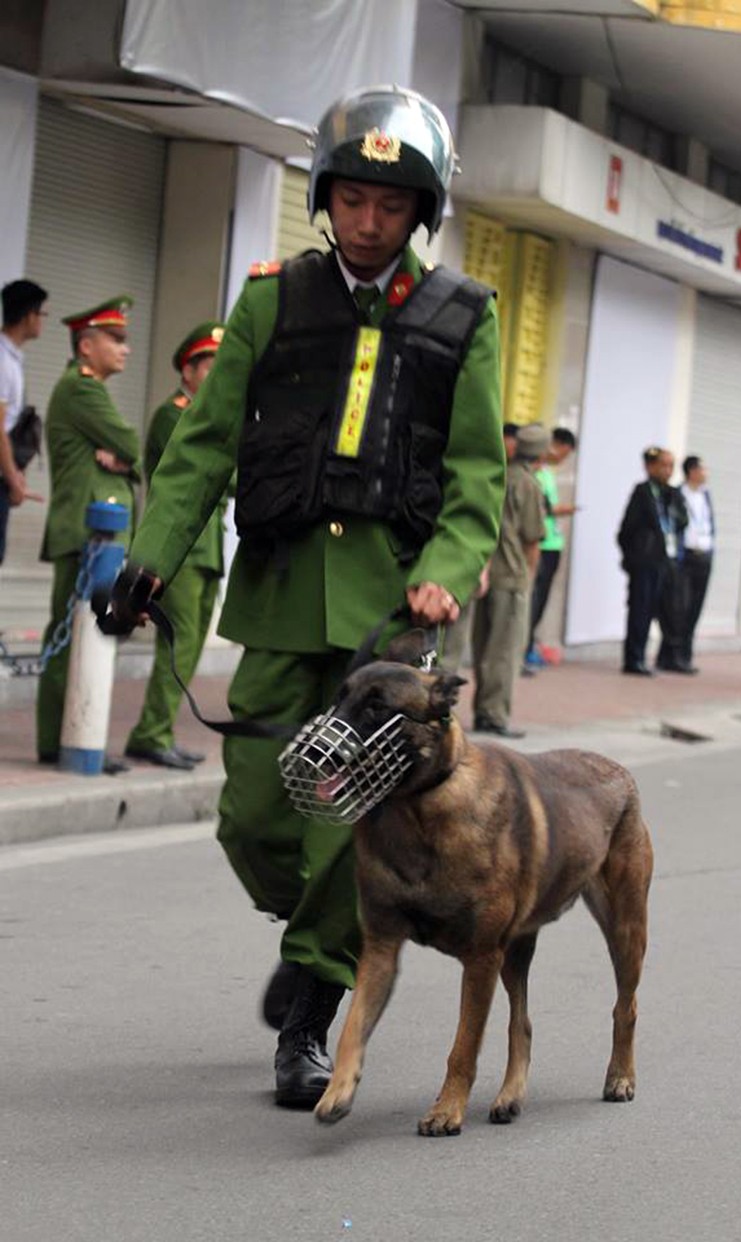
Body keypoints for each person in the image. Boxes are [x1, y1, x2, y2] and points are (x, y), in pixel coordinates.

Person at [108, 85, 505, 1109]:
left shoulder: (464, 316)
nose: (370, 224)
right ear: (327, 201)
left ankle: (313, 1007)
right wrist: (147, 558)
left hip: (392, 620)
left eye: (392, 205)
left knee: (347, 821)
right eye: (353, 202)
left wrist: (445, 574)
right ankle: (328, 929)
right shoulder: (271, 300)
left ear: (421, 212)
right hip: (282, 594)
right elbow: (200, 451)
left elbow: (474, 482)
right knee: (254, 816)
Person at [36, 297, 141, 766]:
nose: (126, 349)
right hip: (87, 534)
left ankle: (70, 736)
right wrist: (125, 457)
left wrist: (122, 460)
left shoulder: (86, 390)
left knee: (84, 637)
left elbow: (125, 451)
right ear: (86, 345)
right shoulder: (83, 391)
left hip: (91, 535)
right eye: (115, 339)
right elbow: (133, 443)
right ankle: (65, 740)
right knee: (76, 637)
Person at [126, 322, 228, 771]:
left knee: (189, 645)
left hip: (208, 547)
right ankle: (150, 732)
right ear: (188, 371)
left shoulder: (211, 416)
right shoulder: (176, 413)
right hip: (183, 549)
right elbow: (206, 475)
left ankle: (160, 730)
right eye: (209, 366)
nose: (218, 374)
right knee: (176, 643)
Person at [471, 422, 547, 738]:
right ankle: (493, 714)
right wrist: (528, 577)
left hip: (486, 572)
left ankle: (482, 709)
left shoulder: (499, 474)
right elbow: (532, 539)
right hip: (512, 575)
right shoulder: (529, 484)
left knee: (483, 646)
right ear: (541, 453)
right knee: (505, 650)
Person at [441, 421, 518, 674]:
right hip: (441, 561)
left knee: (449, 648)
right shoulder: (481, 470)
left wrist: (481, 566)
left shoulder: (483, 471)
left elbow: (482, 520)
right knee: (443, 650)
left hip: (460, 563)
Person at [617, 446, 688, 676]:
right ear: (650, 466)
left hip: (666, 562)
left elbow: (682, 522)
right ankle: (634, 659)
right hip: (646, 563)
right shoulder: (643, 492)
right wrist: (634, 558)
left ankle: (669, 656)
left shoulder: (673, 494)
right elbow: (626, 531)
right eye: (663, 465)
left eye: (671, 466)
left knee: (669, 610)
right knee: (641, 611)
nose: (668, 470)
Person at [0, 279, 48, 563]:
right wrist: (12, 478)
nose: (42, 321)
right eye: (42, 314)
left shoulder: (13, 358)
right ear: (29, 314)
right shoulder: (4, 361)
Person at [524, 426, 577, 672]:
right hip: (540, 545)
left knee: (541, 600)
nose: (561, 458)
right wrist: (561, 510)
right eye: (561, 452)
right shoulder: (531, 473)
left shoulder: (547, 473)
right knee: (531, 600)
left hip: (552, 544)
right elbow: (539, 508)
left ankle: (529, 646)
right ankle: (523, 650)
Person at [679, 455, 714, 671]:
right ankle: (673, 653)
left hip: (704, 556)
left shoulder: (705, 496)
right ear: (692, 471)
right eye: (703, 468)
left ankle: (686, 655)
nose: (706, 472)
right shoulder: (678, 494)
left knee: (695, 608)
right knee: (680, 606)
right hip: (686, 557)